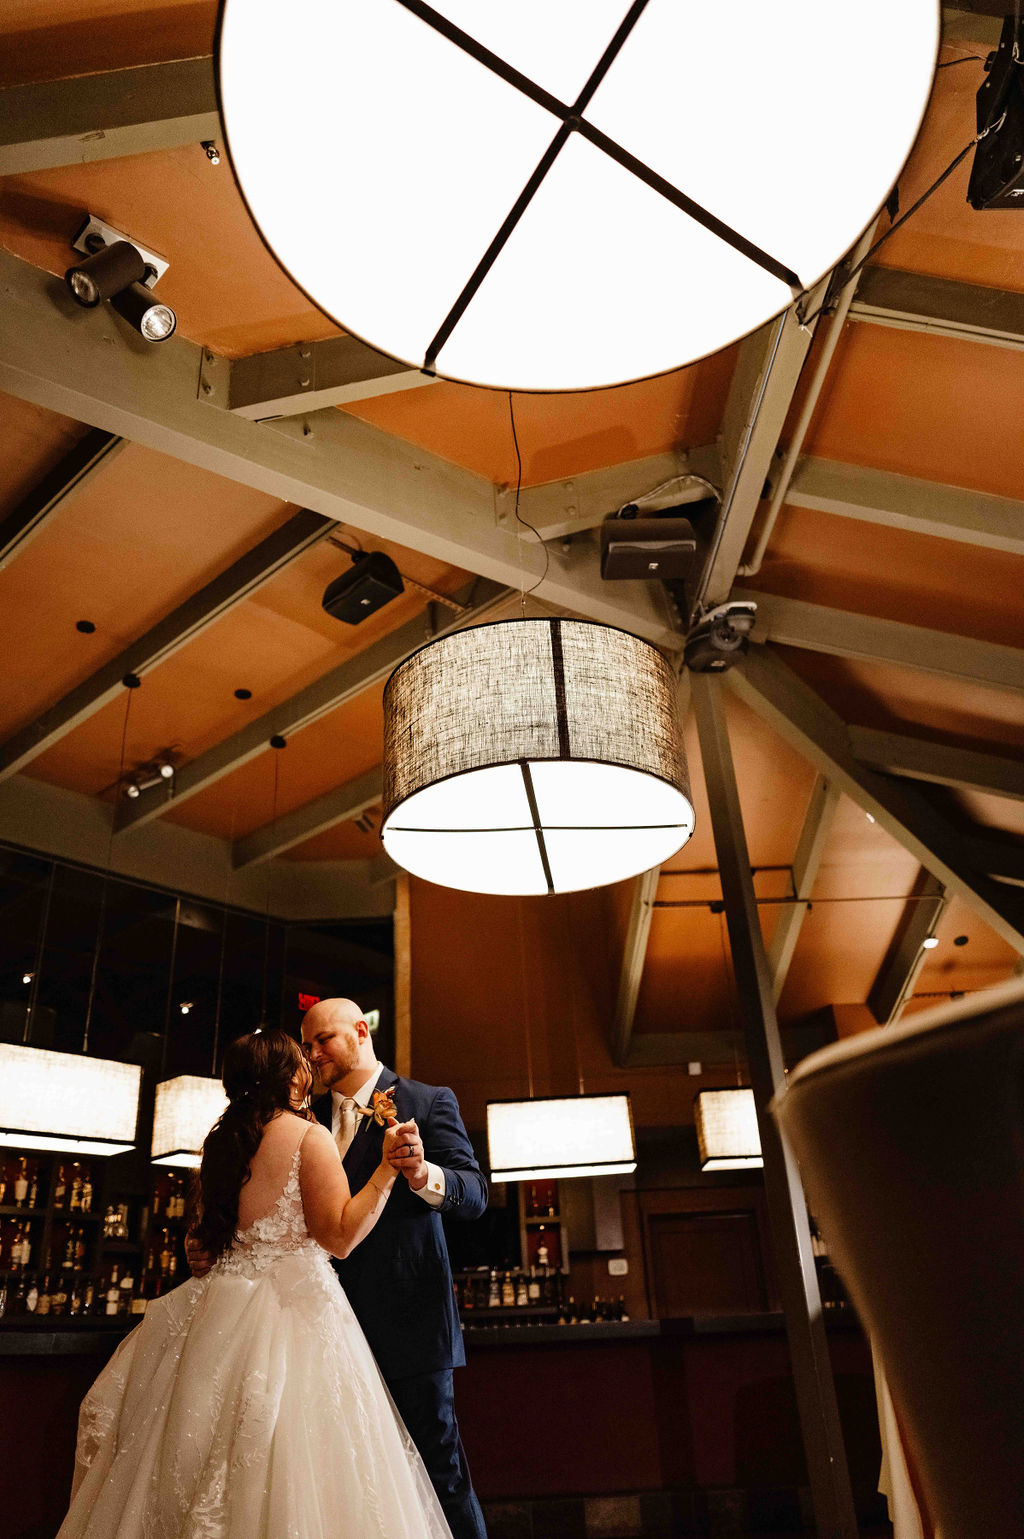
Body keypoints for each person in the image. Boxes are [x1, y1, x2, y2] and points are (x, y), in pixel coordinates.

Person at [58, 1029, 453, 1539]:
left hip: (218, 1313)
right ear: (291, 1077)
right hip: (294, 1310)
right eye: (301, 1061)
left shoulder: (222, 1143)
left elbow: (207, 1232)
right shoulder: (308, 1137)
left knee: (194, 1448)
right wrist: (386, 1170)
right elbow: (339, 1237)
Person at [300, 998, 489, 1539]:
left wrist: (424, 1174)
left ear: (361, 1032)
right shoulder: (305, 1121)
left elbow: (475, 1194)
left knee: (438, 1473)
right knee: (348, 1479)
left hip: (410, 1325)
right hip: (326, 1328)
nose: (312, 1055)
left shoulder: (427, 1101)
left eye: (323, 1040)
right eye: (307, 1046)